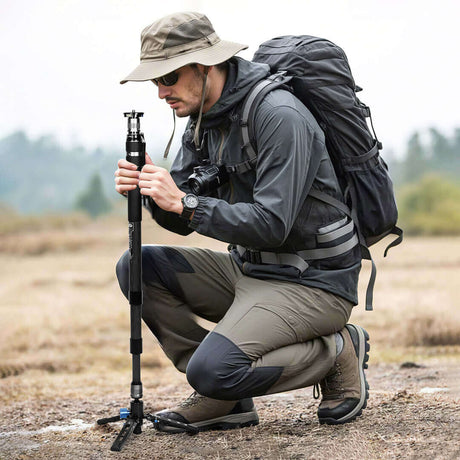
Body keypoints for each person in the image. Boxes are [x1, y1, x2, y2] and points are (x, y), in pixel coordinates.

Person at [115, 11, 370, 432]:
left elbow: (272, 224)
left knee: (213, 369)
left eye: (169, 78)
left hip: (313, 282)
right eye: (155, 82)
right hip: (250, 270)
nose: (161, 92)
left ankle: (339, 348)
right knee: (137, 266)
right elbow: (181, 217)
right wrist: (150, 192)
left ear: (206, 65)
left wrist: (184, 203)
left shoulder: (280, 115)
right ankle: (226, 400)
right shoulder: (203, 120)